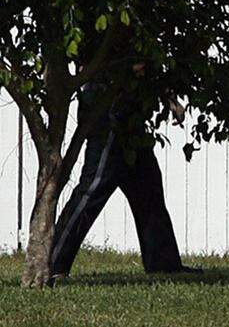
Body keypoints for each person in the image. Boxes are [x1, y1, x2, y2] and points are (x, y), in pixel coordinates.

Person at [50, 62, 200, 278]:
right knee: (92, 190)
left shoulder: (143, 35)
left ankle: (164, 265)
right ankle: (53, 263)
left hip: (133, 119)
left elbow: (151, 64)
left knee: (149, 191)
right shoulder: (105, 34)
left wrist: (172, 101)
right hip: (108, 114)